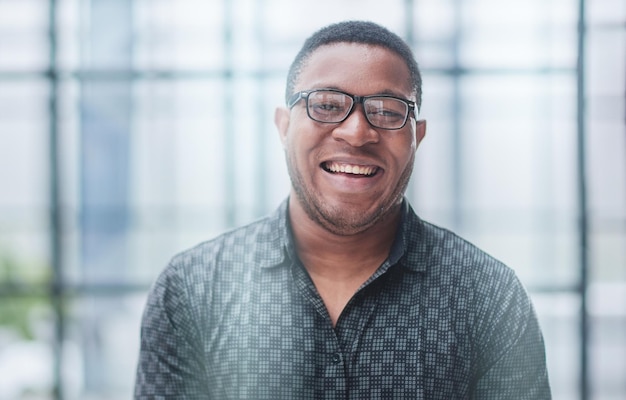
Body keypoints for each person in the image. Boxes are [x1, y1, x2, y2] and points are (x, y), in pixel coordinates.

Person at [134, 20, 551, 399]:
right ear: (283, 126)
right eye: (327, 105)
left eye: (387, 111)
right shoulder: (190, 289)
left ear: (417, 137)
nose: (356, 132)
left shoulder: (488, 296)